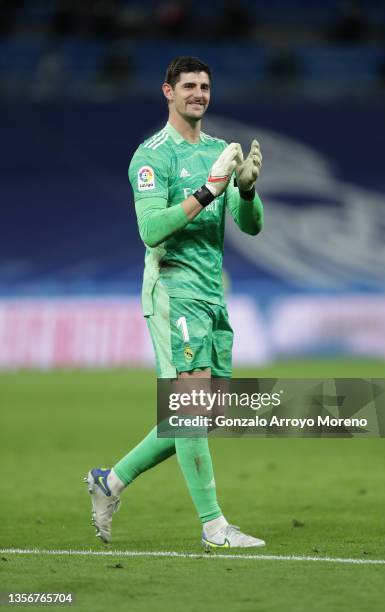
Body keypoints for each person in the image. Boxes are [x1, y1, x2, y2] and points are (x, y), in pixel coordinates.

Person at [85, 56, 265, 549]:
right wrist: (210, 189)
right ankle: (214, 527)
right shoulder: (152, 156)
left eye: (205, 86)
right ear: (168, 91)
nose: (198, 94)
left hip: (211, 294)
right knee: (189, 405)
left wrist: (245, 191)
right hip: (172, 288)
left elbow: (250, 226)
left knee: (203, 414)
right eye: (188, 86)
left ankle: (110, 481)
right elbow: (150, 230)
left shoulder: (218, 151)